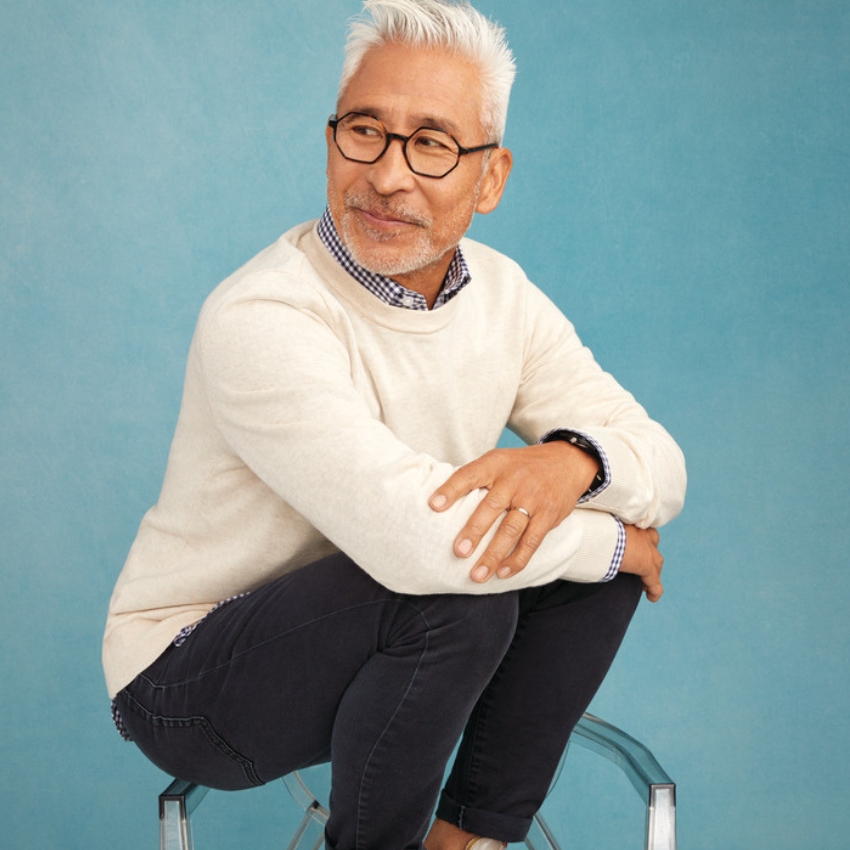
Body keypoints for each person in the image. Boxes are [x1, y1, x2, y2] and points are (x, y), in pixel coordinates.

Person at [103, 1, 686, 848]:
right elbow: (414, 544)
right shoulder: (263, 315)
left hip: (374, 643)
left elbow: (659, 463)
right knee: (466, 596)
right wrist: (609, 540)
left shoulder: (504, 296)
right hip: (190, 679)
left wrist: (572, 465)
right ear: (331, 141)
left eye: (433, 144)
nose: (386, 175)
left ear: (490, 178)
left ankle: (466, 838)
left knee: (582, 560)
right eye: (365, 132)